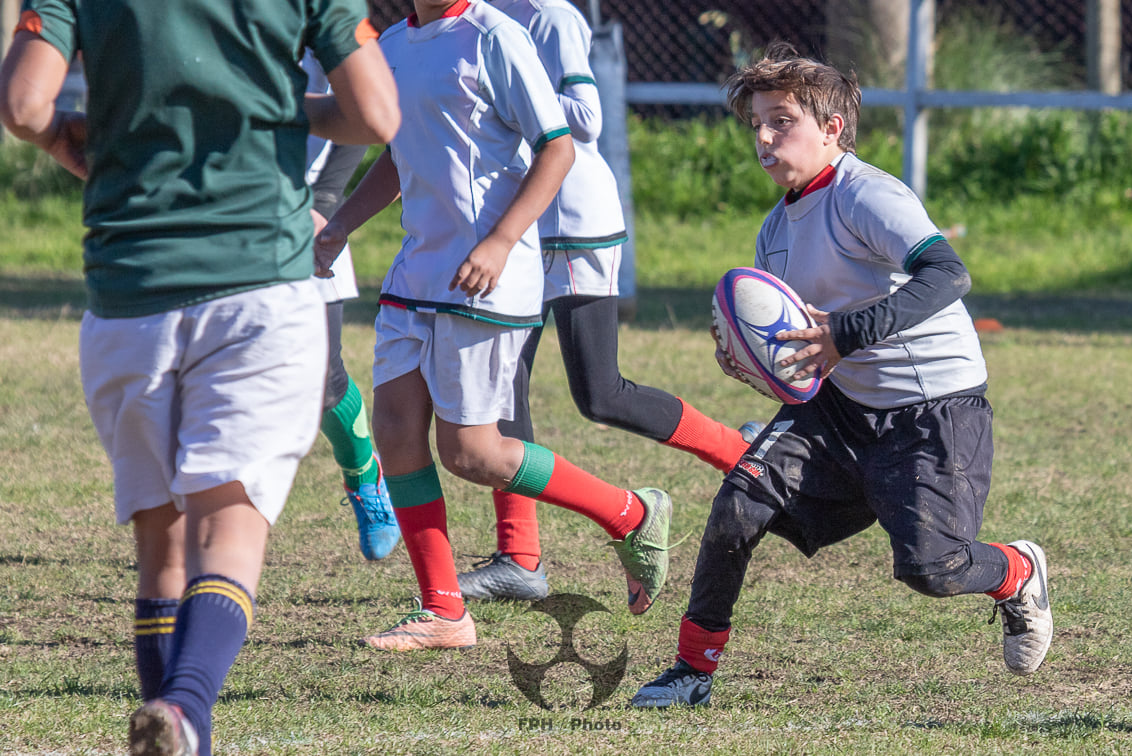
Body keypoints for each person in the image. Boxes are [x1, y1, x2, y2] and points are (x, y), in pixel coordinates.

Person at [0, 2, 400, 753]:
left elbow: (24, 107)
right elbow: (376, 116)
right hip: (257, 287)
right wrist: (277, 111)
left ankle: (177, 728)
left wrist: (68, 138)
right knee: (228, 528)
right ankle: (185, 709)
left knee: (164, 543)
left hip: (129, 291)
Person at [630, 42, 1053, 709]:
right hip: (839, 408)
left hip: (933, 410)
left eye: (782, 122)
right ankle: (691, 670)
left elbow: (948, 275)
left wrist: (844, 335)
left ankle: (1018, 570)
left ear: (832, 129)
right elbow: (804, 341)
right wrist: (758, 364)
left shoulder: (869, 196)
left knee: (932, 568)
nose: (765, 139)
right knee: (739, 507)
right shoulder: (775, 230)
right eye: (757, 125)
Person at [315, 0, 673, 651]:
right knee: (395, 431)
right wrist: (340, 226)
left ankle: (629, 512)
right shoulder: (393, 43)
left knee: (471, 454)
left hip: (486, 276)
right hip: (415, 274)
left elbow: (558, 148)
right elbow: (398, 156)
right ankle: (445, 612)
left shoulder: (497, 37)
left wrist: (504, 240)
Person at [453, 0, 758, 602]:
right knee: (504, 383)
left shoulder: (550, 16)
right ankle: (521, 559)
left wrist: (503, 104)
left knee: (599, 393)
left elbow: (586, 117)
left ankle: (740, 453)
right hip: (516, 223)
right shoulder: (475, 16)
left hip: (571, 222)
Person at [302, 51, 400, 561]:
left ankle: (365, 475)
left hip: (302, 210)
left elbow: (364, 111)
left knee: (320, 379)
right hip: (221, 213)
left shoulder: (327, 26)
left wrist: (321, 209)